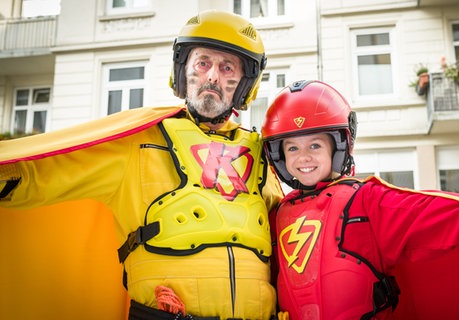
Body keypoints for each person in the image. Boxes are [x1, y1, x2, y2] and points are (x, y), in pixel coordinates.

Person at [0, 10, 282, 320]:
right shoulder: (134, 141)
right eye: (203, 63)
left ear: (244, 84)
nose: (213, 76)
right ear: (183, 70)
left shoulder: (264, 155)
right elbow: (37, 174)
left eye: (227, 67)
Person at [261, 80, 459, 320]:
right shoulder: (277, 214)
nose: (303, 158)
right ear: (278, 156)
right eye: (292, 148)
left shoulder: (366, 202)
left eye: (315, 145)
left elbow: (445, 215)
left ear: (338, 147)